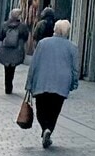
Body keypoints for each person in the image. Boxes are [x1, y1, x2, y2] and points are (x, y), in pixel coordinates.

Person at [26, 18, 81, 149]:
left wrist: (29, 83)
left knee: (41, 108)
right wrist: (74, 82)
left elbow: (34, 64)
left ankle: (45, 128)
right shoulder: (72, 47)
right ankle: (49, 129)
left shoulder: (43, 43)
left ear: (55, 30)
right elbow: (75, 68)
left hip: (42, 80)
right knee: (54, 109)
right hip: (61, 82)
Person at [0, 7, 31, 96]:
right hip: (17, 49)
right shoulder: (22, 26)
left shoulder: (5, 24)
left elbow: (0, 36)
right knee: (12, 68)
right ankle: (10, 85)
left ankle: (7, 86)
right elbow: (25, 36)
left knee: (6, 68)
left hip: (6, 49)